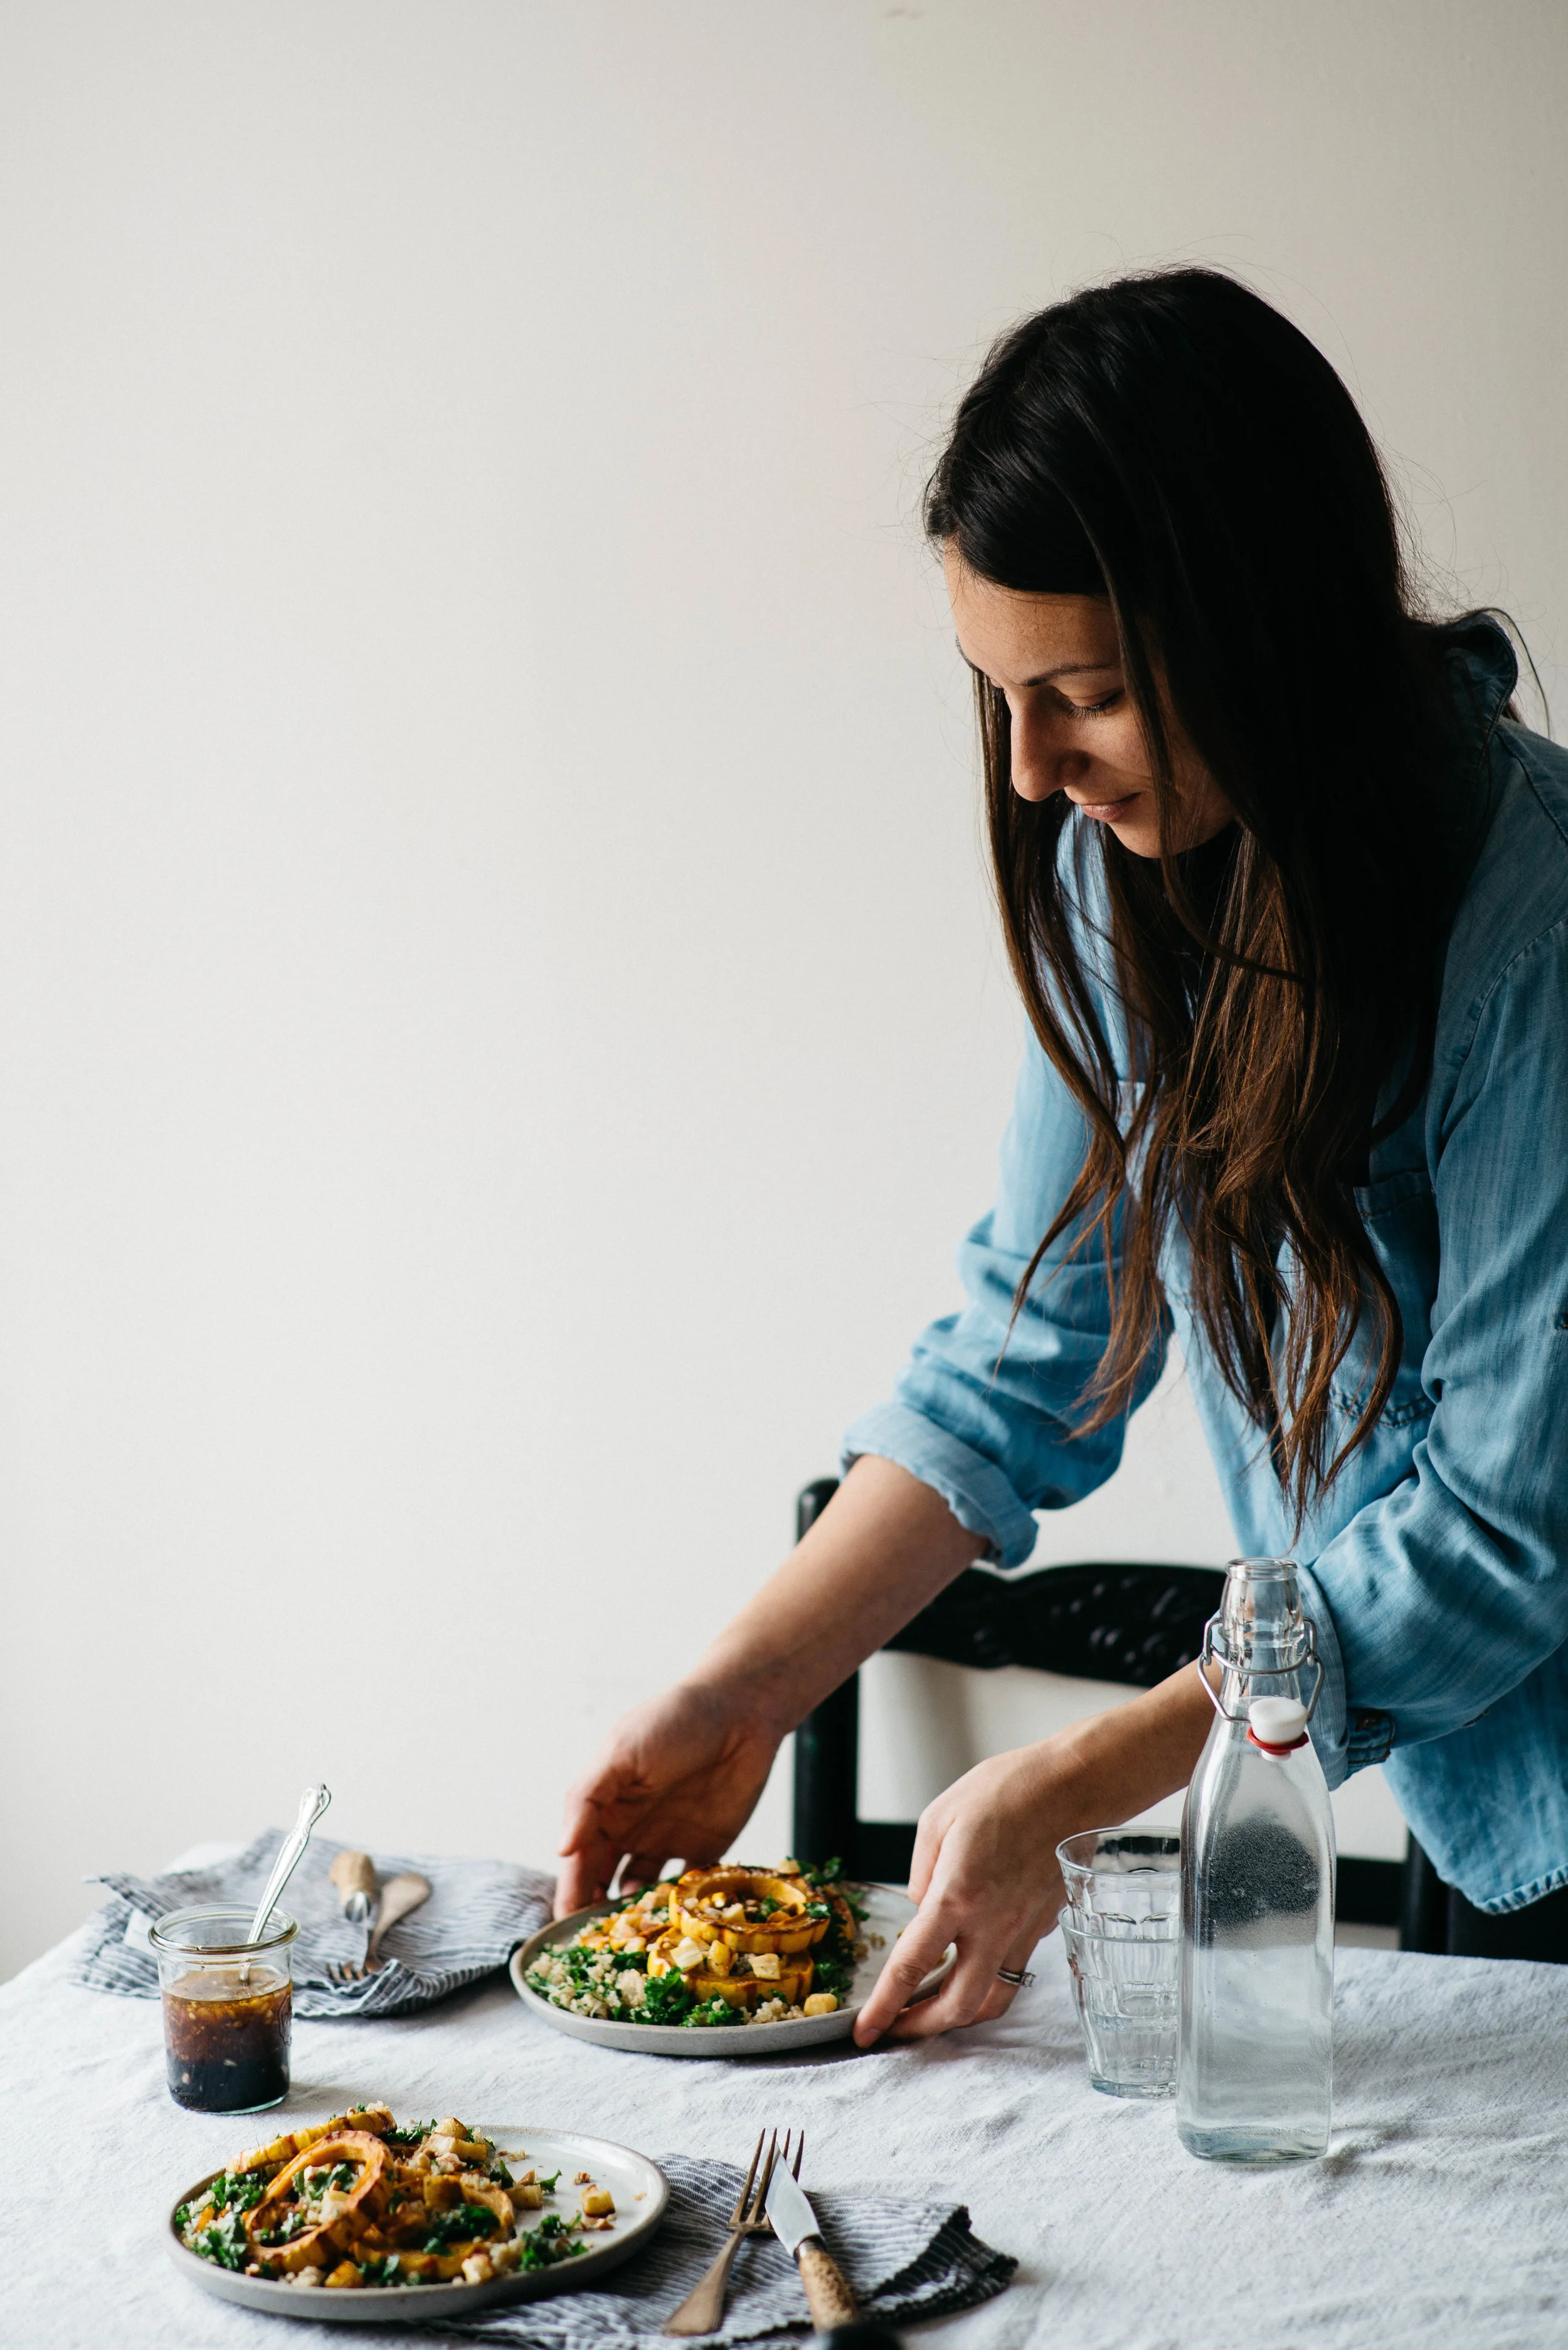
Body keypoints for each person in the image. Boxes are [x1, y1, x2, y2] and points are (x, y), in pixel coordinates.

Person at [557, 268, 1568, 2036]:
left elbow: (1503, 1523)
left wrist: (1094, 1775)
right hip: (1466, 1790)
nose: (1030, 773)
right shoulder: (1145, 885)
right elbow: (1023, 1360)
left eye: (1084, 693)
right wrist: (740, 1696)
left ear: (1267, 630)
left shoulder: (1542, 927)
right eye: (1002, 697)